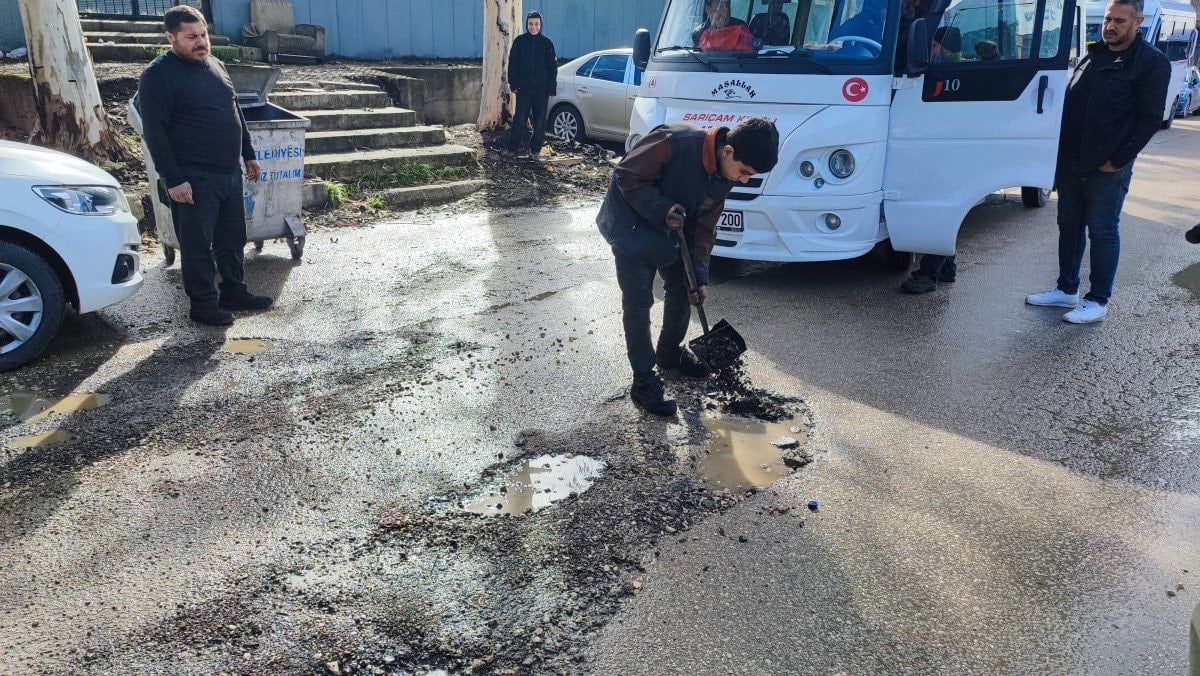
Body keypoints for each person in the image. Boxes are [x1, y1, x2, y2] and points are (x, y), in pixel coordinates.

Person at [596, 118, 779, 416]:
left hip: (671, 230)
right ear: (728, 151)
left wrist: (700, 276)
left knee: (685, 286)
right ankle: (643, 381)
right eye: (745, 172)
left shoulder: (725, 175)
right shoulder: (674, 142)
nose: (744, 180)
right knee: (639, 303)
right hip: (630, 227)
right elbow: (626, 175)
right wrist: (662, 208)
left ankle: (669, 354)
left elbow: (705, 227)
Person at [1025, 0, 1169, 323]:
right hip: (1071, 160)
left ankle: (1098, 300)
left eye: (1119, 20)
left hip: (1106, 166)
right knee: (1069, 226)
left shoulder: (1150, 62)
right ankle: (1066, 289)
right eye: (1107, 19)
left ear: (1138, 22)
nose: (1110, 26)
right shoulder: (1095, 53)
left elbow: (1149, 118)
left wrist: (1118, 161)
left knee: (1103, 231)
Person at [137, 5, 273, 327]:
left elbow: (234, 111)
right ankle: (203, 305)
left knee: (232, 239)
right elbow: (154, 132)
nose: (201, 42)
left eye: (203, 35)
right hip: (193, 177)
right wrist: (174, 179)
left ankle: (234, 292)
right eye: (191, 37)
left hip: (229, 172)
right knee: (197, 246)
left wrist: (248, 153)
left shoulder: (216, 65)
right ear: (171, 38)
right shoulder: (157, 76)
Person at [506, 11, 557, 157]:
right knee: (520, 118)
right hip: (524, 89)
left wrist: (551, 87)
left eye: (536, 24)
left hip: (542, 90)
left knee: (540, 121)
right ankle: (512, 149)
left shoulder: (547, 44)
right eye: (530, 24)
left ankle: (535, 150)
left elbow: (552, 67)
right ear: (526, 24)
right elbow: (513, 64)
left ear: (541, 25)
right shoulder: (519, 42)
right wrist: (513, 83)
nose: (533, 27)